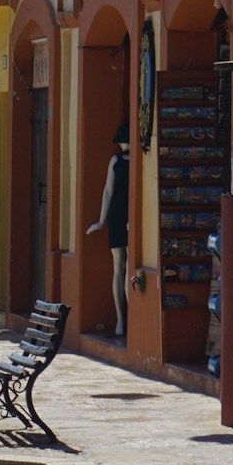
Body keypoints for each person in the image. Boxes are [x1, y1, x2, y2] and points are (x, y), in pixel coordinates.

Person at [85, 123, 132, 337]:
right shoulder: (116, 161)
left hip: (130, 218)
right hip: (117, 217)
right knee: (119, 266)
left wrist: (102, 221)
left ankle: (129, 316)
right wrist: (101, 221)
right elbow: (107, 191)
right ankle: (121, 318)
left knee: (126, 266)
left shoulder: (136, 160)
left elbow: (108, 191)